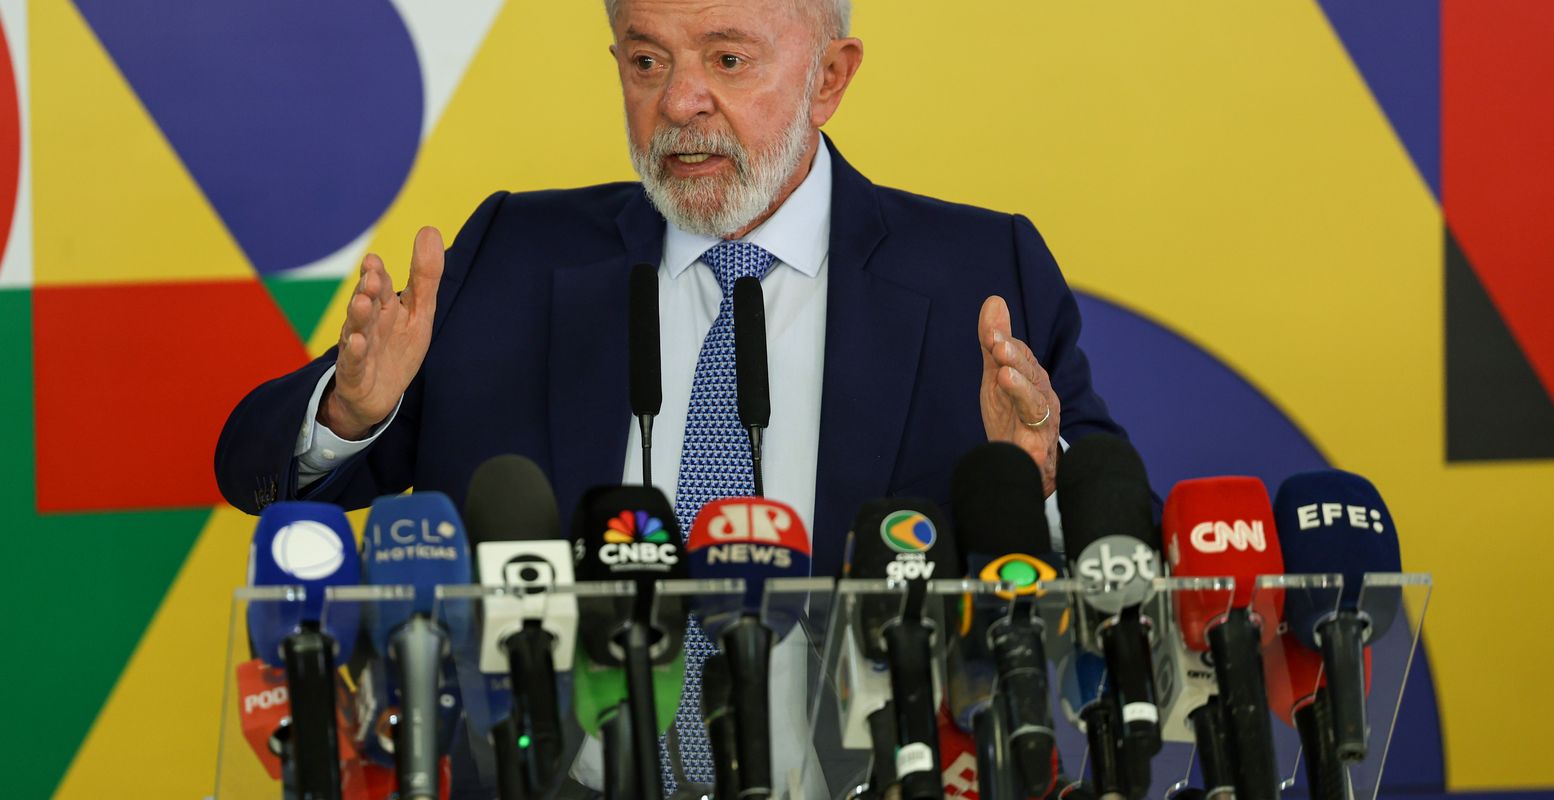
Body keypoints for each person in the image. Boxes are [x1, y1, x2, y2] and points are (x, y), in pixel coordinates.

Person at [216, 0, 1124, 795]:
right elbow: (252, 468)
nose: (681, 102)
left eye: (728, 59)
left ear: (830, 77)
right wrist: (349, 415)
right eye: (648, 61)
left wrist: (1037, 480)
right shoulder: (513, 254)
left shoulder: (979, 274)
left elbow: (1122, 543)